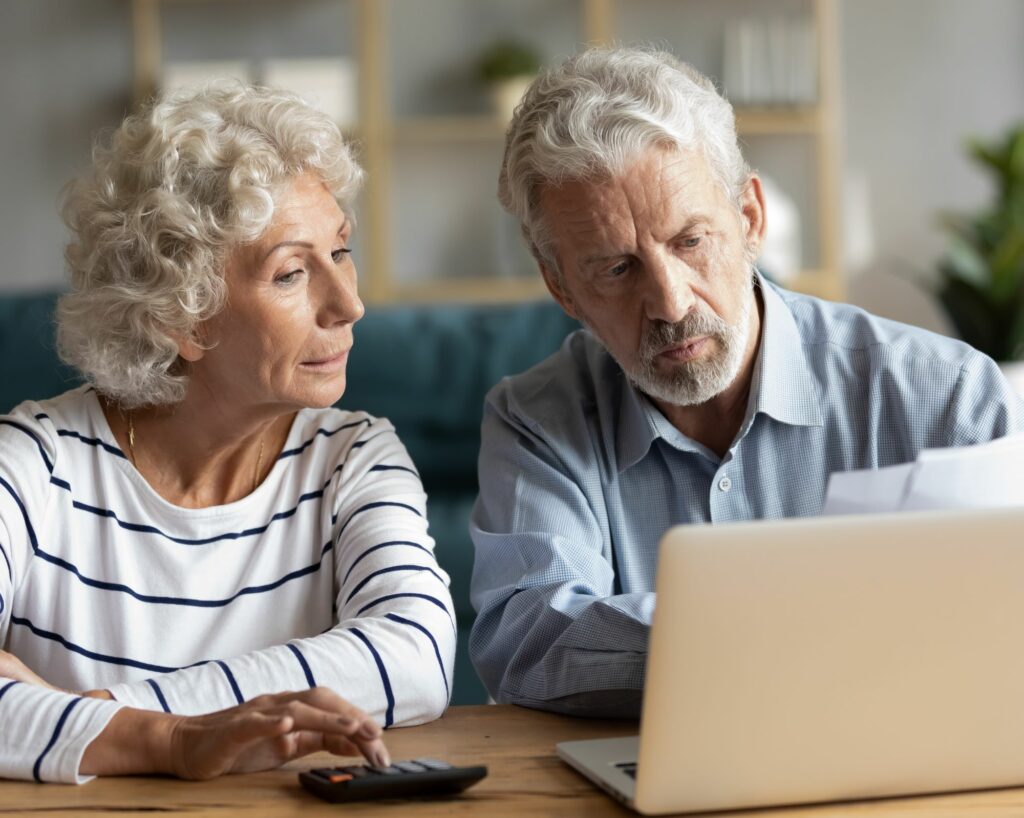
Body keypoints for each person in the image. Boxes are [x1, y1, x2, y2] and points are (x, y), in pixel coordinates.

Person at [469, 45, 1024, 718]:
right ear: (561, 286)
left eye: (690, 242)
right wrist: (810, 630)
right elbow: (529, 639)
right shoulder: (535, 420)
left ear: (751, 218)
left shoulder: (949, 396)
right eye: (616, 269)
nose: (671, 304)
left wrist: (727, 636)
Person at [0, 83, 454, 782]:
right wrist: (172, 742)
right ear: (178, 317)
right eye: (292, 272)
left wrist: (86, 718)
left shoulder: (354, 456)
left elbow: (416, 657)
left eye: (341, 252)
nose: (349, 304)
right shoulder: (32, 463)